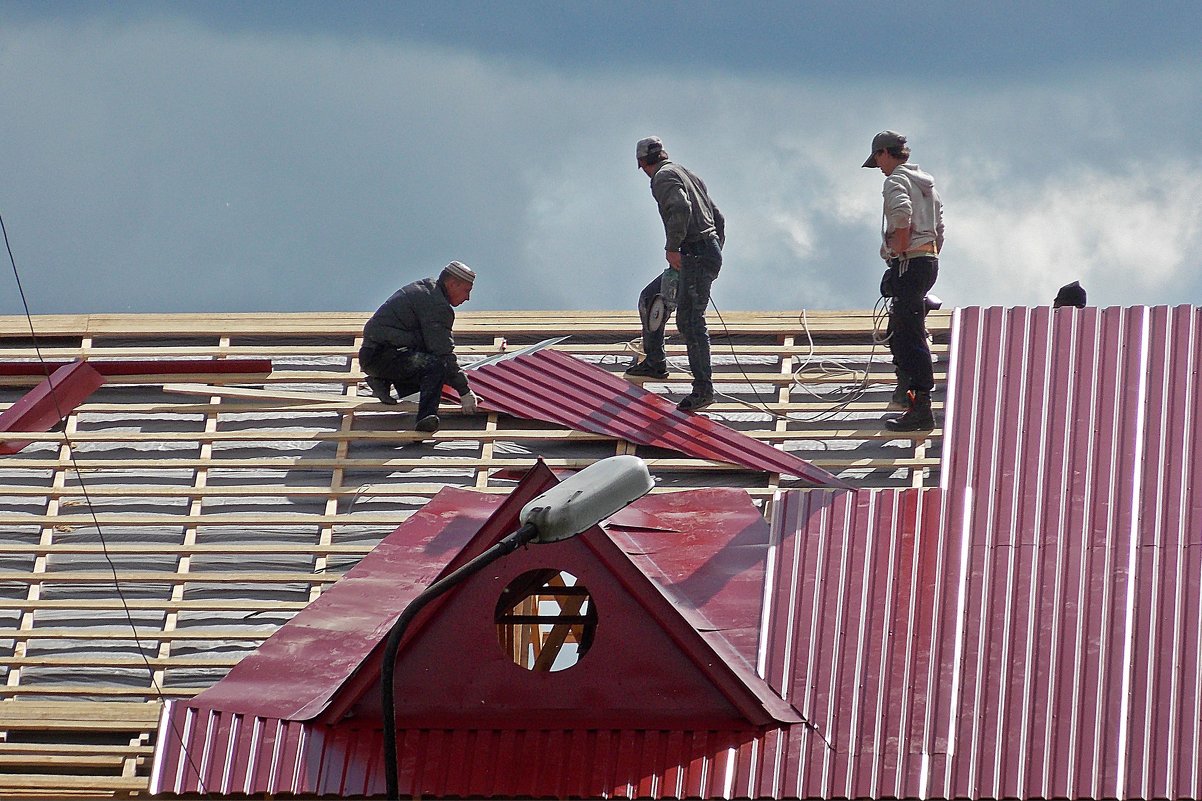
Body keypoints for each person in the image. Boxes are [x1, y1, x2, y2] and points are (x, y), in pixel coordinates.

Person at [625, 136, 726, 412]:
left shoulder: (662, 178)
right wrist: (714, 253)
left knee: (691, 322)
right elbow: (718, 217)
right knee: (651, 297)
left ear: (643, 163)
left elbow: (680, 208)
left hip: (694, 253)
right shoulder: (686, 173)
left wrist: (673, 249)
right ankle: (655, 362)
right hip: (702, 252)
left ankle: (703, 390)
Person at [863, 130, 945, 431]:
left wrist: (897, 250)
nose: (879, 167)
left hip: (910, 263)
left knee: (910, 337)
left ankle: (920, 407)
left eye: (878, 160)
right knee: (901, 329)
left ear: (885, 153)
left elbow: (901, 217)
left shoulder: (896, 180)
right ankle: (907, 394)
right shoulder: (927, 185)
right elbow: (940, 228)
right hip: (928, 261)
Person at [359, 261, 481, 433]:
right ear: (452, 284)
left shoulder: (428, 290)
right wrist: (464, 391)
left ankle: (382, 379)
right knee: (435, 367)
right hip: (383, 355)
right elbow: (442, 352)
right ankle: (425, 418)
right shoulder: (436, 305)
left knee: (426, 378)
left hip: (378, 355)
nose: (467, 297)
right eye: (466, 291)